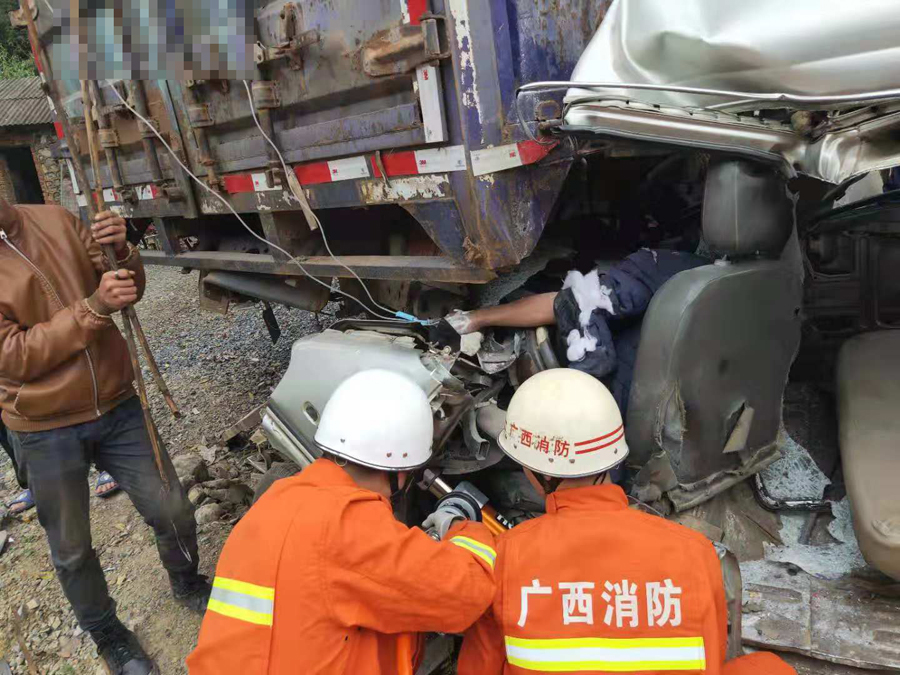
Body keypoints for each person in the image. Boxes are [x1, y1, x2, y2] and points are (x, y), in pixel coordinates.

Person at [457, 368, 796, 675]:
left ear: (536, 472)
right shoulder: (697, 553)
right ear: (612, 454)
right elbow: (709, 660)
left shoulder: (505, 559)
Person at [0, 199, 208, 675]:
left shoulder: (54, 219)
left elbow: (126, 287)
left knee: (170, 505)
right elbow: (11, 356)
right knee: (72, 548)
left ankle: (187, 582)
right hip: (42, 425)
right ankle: (109, 636)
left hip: (117, 402)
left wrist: (123, 251)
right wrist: (92, 309)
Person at [188, 369, 498, 674]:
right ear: (400, 471)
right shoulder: (347, 528)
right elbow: (467, 597)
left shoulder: (272, 503)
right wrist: (460, 523)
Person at [445, 247, 708, 416]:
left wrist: (476, 318)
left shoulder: (661, 268)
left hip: (610, 420)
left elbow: (575, 304)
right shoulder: (709, 276)